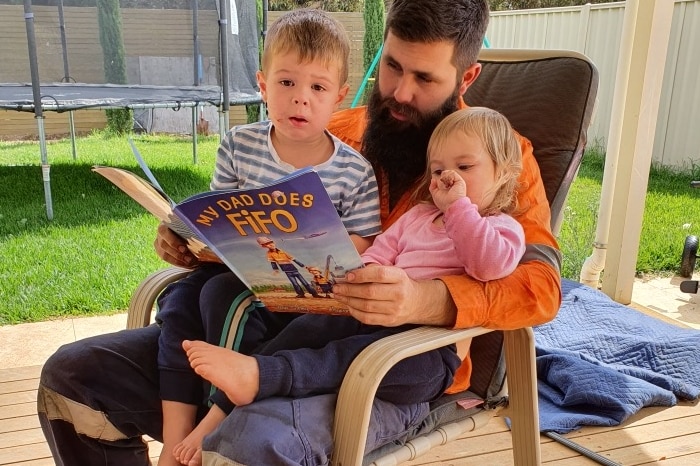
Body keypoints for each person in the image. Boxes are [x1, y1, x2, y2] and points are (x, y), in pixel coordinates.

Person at [37, 1, 562, 465]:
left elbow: (542, 288)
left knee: (251, 440)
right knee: (75, 376)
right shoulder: (332, 126)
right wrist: (195, 245)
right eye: (392, 66)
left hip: (385, 362)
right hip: (256, 321)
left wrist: (426, 299)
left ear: (465, 79)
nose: (400, 92)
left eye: (425, 79)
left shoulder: (499, 162)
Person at [156, 9, 384, 466]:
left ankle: (213, 421)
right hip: (238, 266)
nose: (301, 99)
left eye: (318, 88)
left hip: (301, 288)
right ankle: (173, 437)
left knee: (226, 298)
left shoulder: (352, 170)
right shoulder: (239, 145)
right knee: (177, 299)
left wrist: (310, 249)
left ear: (339, 97)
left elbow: (363, 242)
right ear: (263, 85)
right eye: (286, 83)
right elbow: (216, 215)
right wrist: (180, 234)